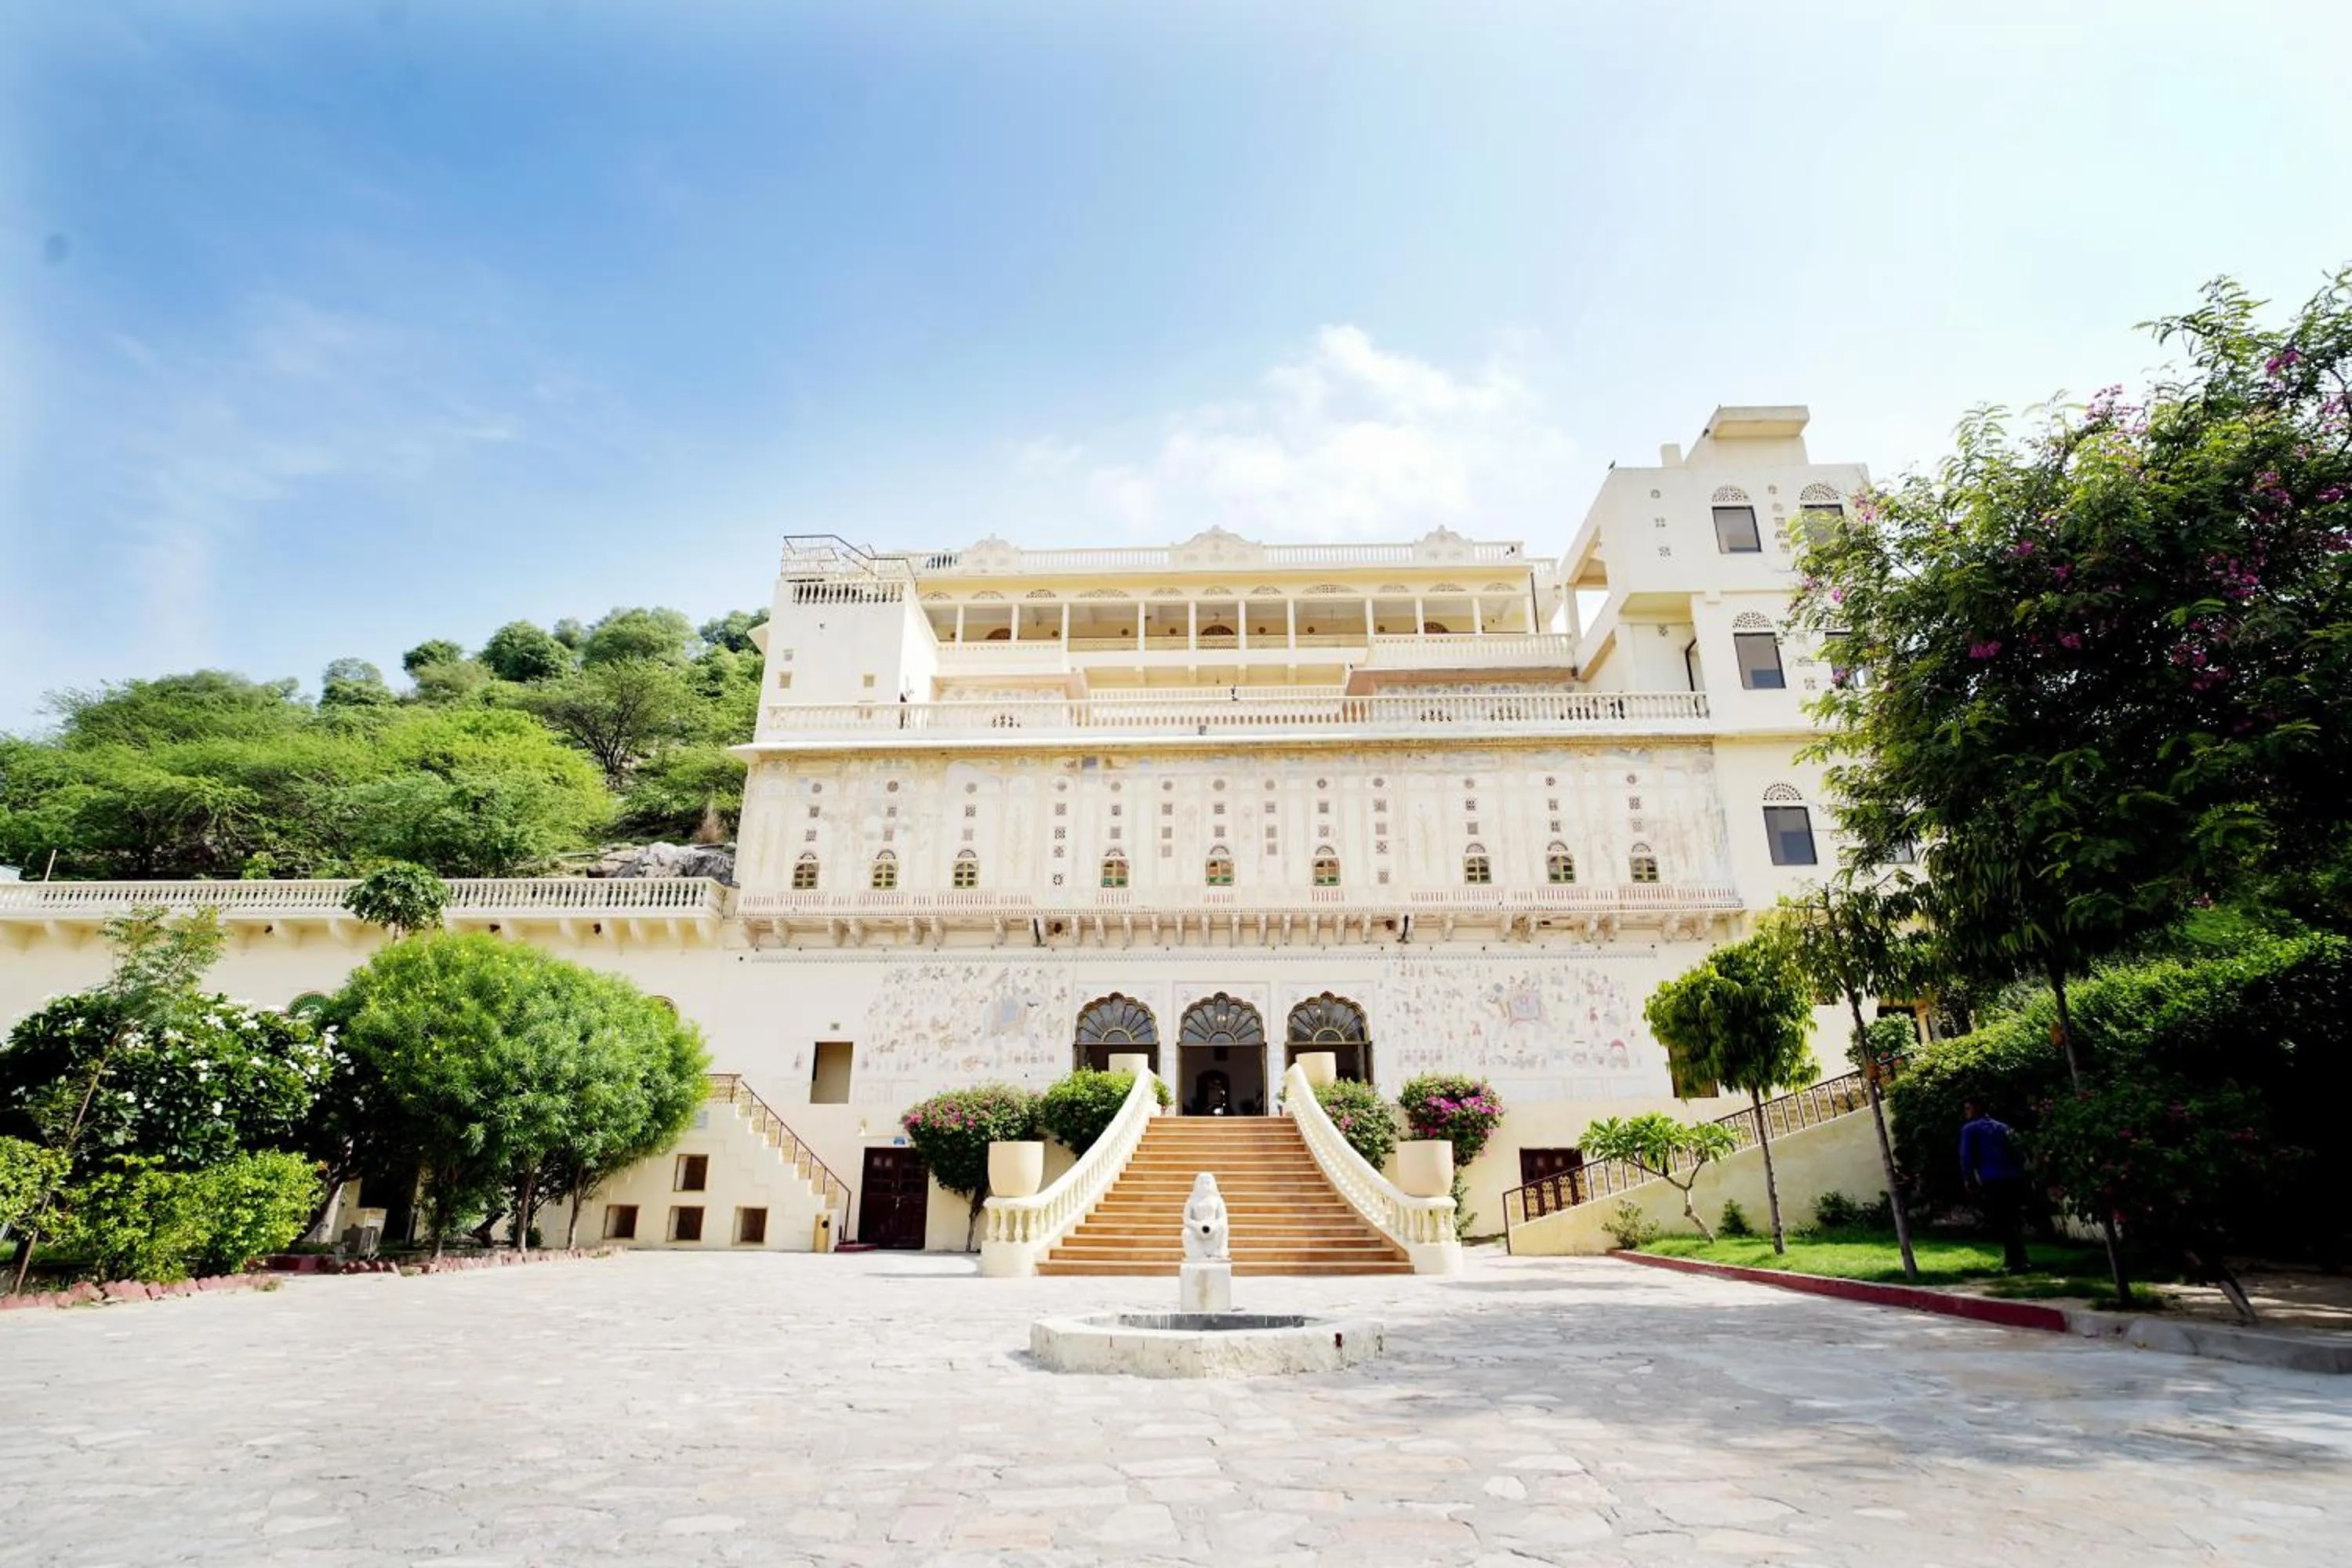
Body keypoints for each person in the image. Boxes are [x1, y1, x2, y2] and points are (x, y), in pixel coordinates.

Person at [1959, 1099, 2031, 1272]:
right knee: (2012, 1218)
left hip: (1992, 1178)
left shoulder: (1970, 1129)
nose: (1966, 1112)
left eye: (1968, 1109)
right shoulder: (2003, 1127)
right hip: (2013, 1177)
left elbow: (1966, 1156)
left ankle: (2016, 1261)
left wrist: (1969, 1179)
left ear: (1977, 1109)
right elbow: (2019, 1151)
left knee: (2001, 1220)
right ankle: (2017, 1258)